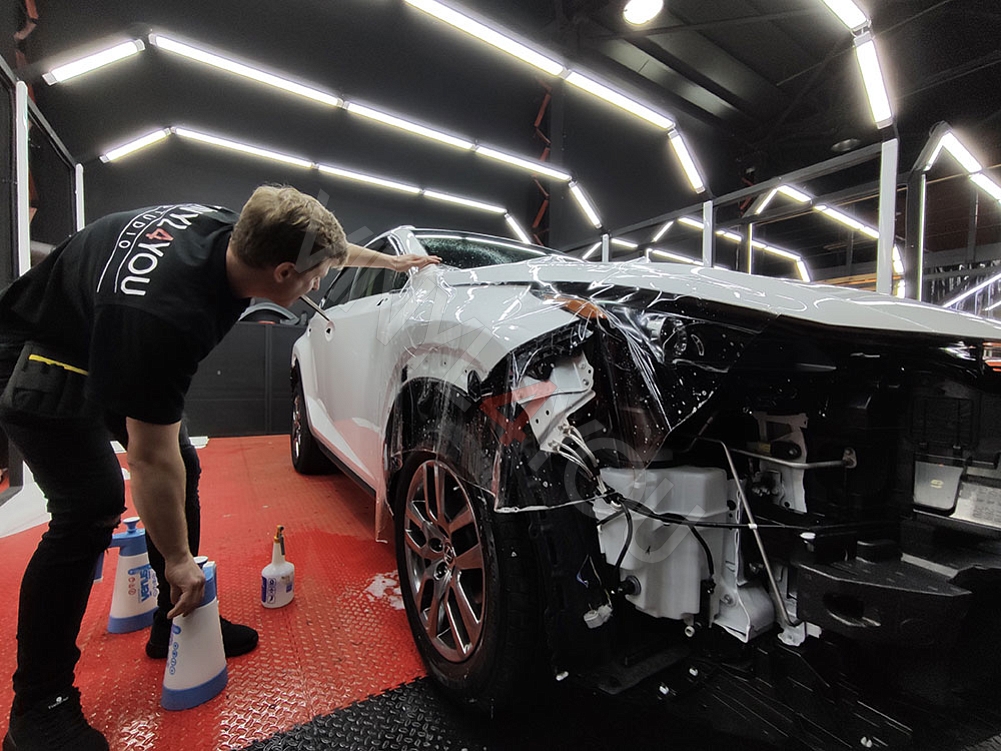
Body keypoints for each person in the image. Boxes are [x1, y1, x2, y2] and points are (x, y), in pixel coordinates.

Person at [0, 185, 440, 751]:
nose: (317, 286)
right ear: (283, 273)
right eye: (314, 279)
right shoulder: (168, 316)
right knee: (89, 508)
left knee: (182, 460)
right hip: (38, 348)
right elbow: (148, 460)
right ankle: (38, 705)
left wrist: (394, 264)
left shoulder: (245, 229)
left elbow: (328, 249)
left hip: (100, 327)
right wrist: (179, 560)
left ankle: (173, 621)